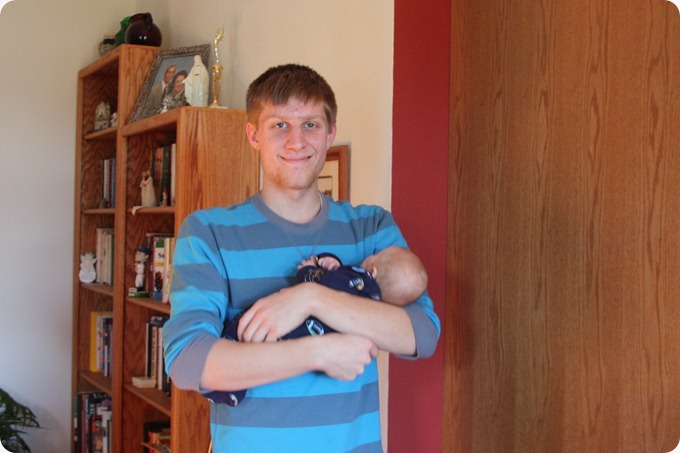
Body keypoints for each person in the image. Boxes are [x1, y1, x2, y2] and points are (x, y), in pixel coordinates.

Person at [162, 63, 440, 452]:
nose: (296, 141)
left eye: (310, 124)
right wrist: (315, 353)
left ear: (330, 134)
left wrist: (311, 298)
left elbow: (422, 334)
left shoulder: (370, 227)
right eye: (279, 125)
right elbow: (187, 360)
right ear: (253, 135)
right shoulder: (208, 232)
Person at [204, 245, 429, 406]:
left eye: (376, 255)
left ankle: (225, 383)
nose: (371, 255)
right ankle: (232, 391)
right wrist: (334, 264)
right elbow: (343, 285)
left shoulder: (360, 276)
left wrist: (308, 272)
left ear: (373, 271)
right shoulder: (375, 308)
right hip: (313, 334)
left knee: (248, 329)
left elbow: (326, 282)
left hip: (296, 326)